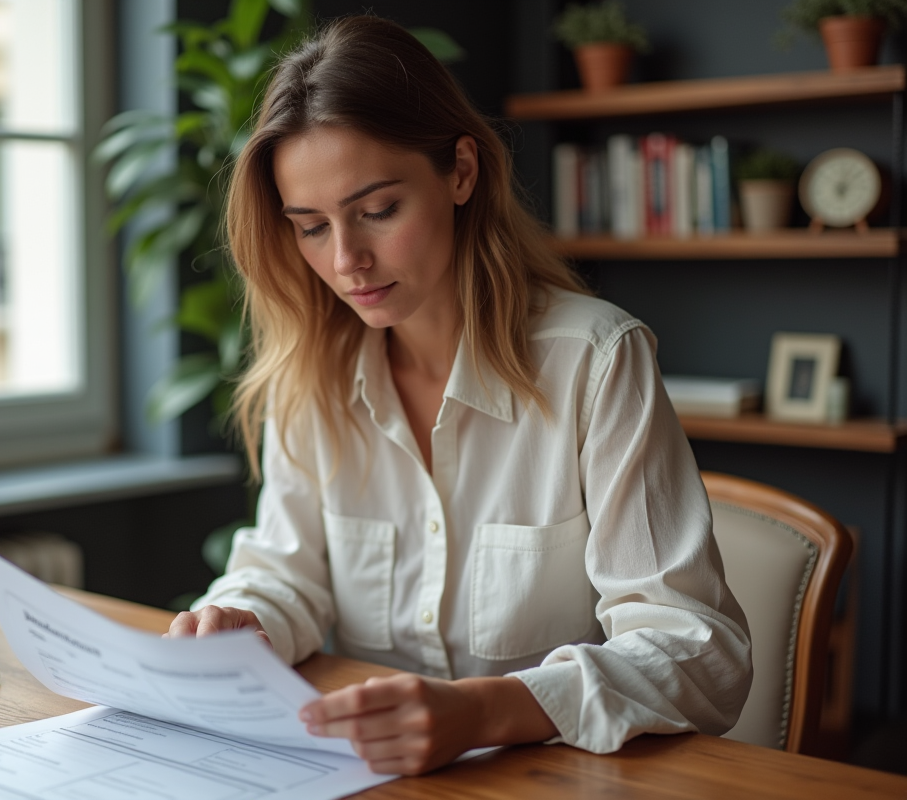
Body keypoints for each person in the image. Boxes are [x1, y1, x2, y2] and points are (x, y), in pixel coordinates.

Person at [166, 14, 752, 775]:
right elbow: (288, 573)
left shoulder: (595, 361)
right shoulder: (312, 374)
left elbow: (699, 651)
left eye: (378, 211)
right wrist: (247, 617)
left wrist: (484, 709)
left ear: (461, 173)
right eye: (311, 227)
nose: (347, 260)